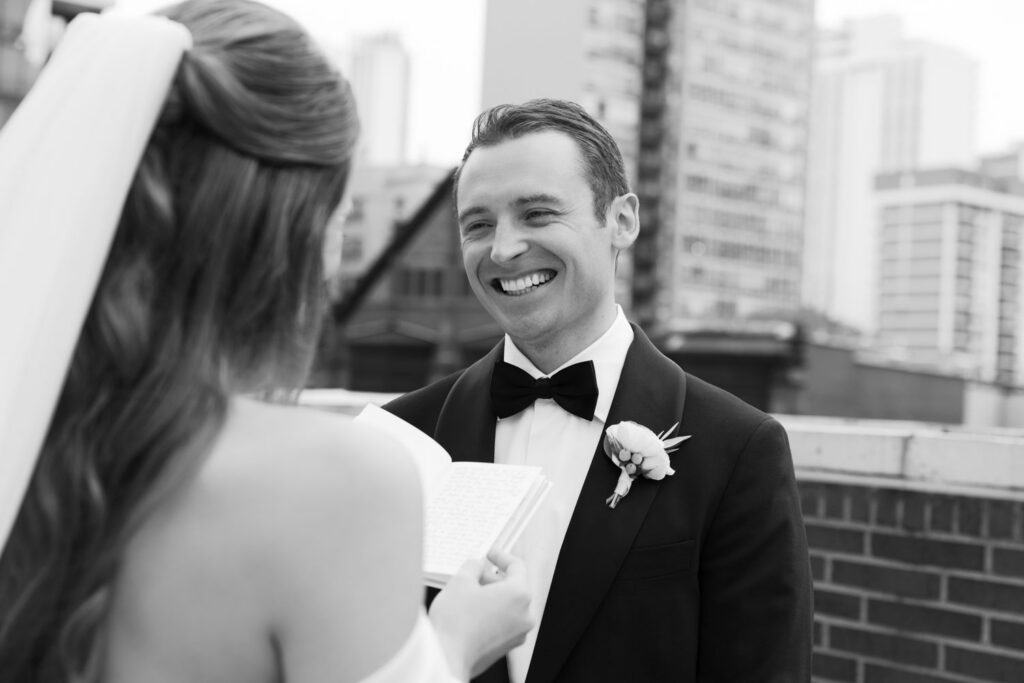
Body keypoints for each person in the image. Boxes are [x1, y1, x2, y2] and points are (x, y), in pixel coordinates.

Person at [0, 2, 533, 682]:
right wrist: (454, 644)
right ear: (294, 233)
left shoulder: (26, 428)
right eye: (342, 215)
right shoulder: (339, 481)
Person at [384, 99, 813, 682]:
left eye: (537, 214)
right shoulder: (402, 438)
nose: (503, 249)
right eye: (478, 225)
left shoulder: (739, 449)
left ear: (622, 221)